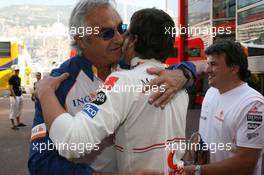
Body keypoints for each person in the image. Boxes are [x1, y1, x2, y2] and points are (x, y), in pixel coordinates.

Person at [28, 0, 196, 175]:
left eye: (121, 29)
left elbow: (192, 66)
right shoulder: (57, 84)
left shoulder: (132, 68)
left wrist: (184, 73)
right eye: (107, 33)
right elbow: (40, 162)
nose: (119, 39)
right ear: (82, 40)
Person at [185, 40, 264, 175]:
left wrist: (195, 171)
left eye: (214, 64)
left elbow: (246, 163)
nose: (207, 69)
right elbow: (207, 132)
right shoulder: (211, 92)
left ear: (234, 68)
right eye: (208, 64)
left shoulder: (253, 105)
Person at [8, 65, 26, 130]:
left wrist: (21, 93)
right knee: (13, 110)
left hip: (20, 96)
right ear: (14, 71)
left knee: (19, 109)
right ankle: (13, 125)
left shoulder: (19, 78)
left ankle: (18, 122)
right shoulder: (11, 78)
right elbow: (10, 88)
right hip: (14, 97)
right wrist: (14, 96)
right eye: (16, 70)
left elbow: (19, 86)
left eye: (18, 70)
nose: (17, 71)